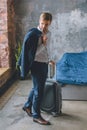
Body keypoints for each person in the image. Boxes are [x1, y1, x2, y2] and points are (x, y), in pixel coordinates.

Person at [18, 12, 54, 125]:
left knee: (36, 88)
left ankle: (27, 106)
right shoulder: (34, 34)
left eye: (47, 24)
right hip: (36, 65)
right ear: (39, 21)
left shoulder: (49, 34)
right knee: (39, 91)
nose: (44, 26)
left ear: (50, 23)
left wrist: (49, 60)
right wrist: (42, 44)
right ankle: (36, 116)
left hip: (44, 63)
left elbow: (47, 49)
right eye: (42, 23)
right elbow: (32, 54)